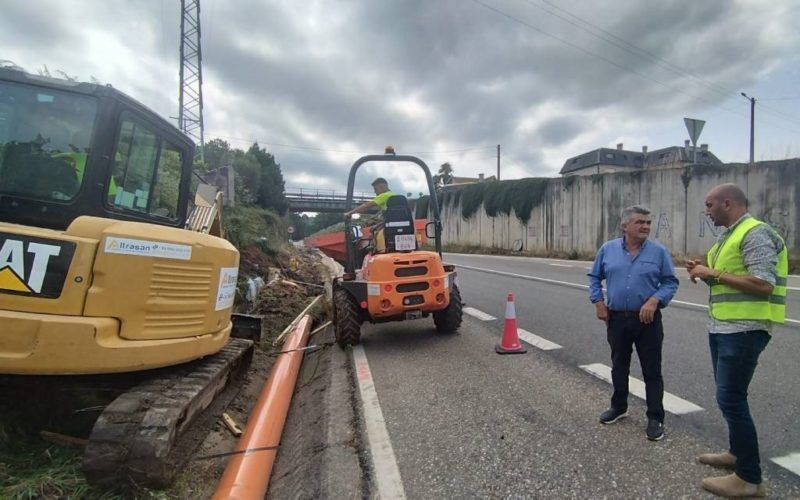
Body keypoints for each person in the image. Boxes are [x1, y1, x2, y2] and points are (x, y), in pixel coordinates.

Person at [687, 183, 787, 498]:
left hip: (744, 330)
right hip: (724, 327)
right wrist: (704, 273)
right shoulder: (727, 236)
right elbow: (726, 281)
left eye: (709, 205)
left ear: (727, 203)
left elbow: (762, 283)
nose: (706, 211)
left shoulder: (755, 233)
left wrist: (712, 273)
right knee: (730, 397)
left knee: (731, 399)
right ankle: (737, 454)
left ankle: (748, 479)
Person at [588, 205, 679, 441]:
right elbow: (594, 277)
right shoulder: (608, 250)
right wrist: (598, 302)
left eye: (648, 223)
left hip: (647, 320)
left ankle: (655, 417)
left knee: (652, 370)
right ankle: (619, 407)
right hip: (617, 318)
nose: (646, 227)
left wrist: (655, 299)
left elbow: (670, 282)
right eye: (640, 222)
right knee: (619, 365)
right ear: (625, 225)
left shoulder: (658, 252)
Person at [344, 177, 396, 252]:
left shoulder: (384, 196)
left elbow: (366, 206)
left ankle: (374, 251)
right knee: (375, 227)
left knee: (371, 234)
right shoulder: (394, 195)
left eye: (376, 189)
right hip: (395, 224)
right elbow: (392, 217)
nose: (375, 192)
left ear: (382, 187)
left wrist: (349, 213)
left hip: (389, 226)